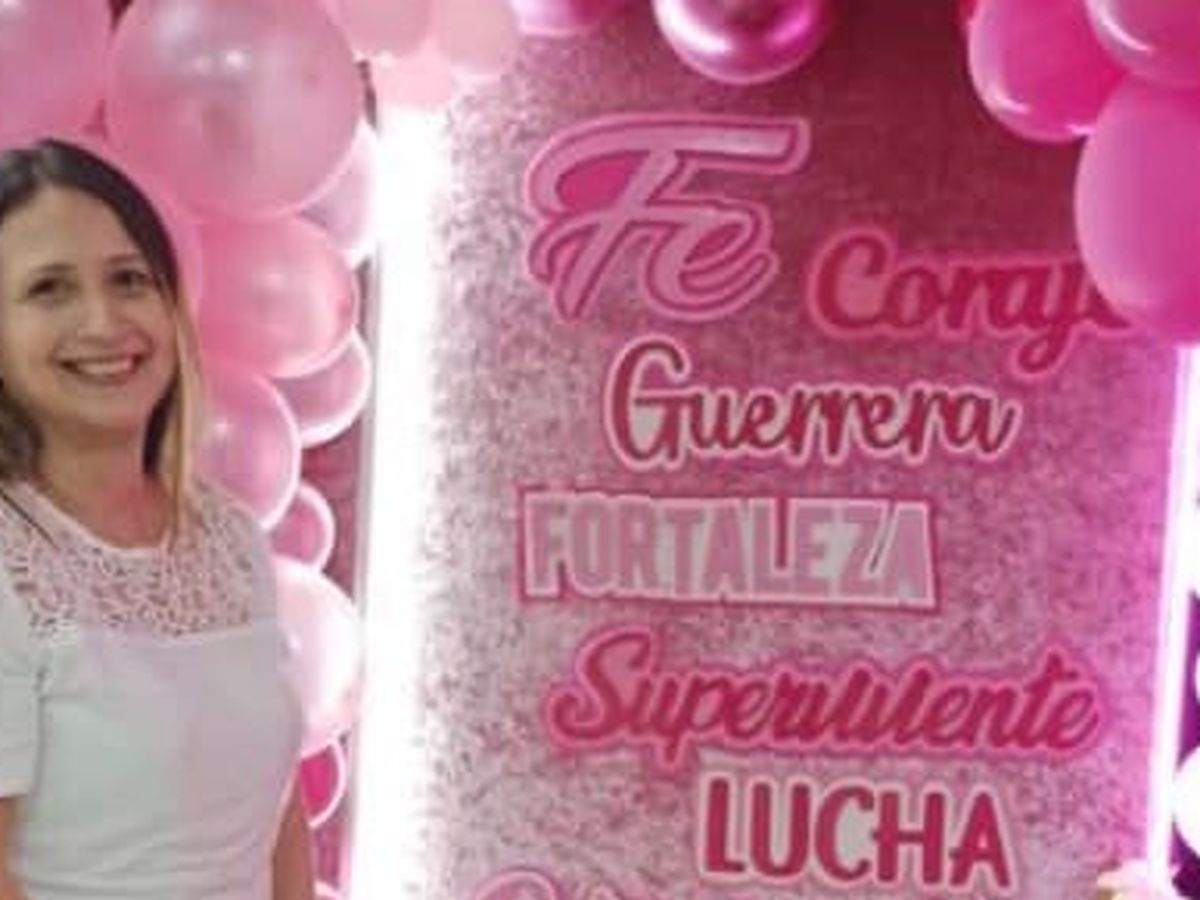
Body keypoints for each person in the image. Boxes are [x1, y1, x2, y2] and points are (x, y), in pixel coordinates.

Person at [0, 139, 314, 900]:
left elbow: (280, 817)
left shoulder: (228, 537)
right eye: (49, 289)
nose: (103, 321)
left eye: (130, 280)